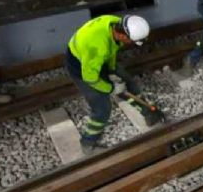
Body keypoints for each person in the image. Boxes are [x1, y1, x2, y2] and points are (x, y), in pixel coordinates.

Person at [66, 14, 161, 151]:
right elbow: (90, 78)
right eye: (132, 41)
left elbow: (113, 48)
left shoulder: (116, 24)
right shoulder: (97, 45)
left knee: (128, 84)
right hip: (81, 68)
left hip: (98, 59)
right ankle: (88, 143)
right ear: (124, 36)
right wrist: (111, 88)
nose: (131, 44)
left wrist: (111, 71)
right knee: (102, 108)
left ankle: (148, 112)